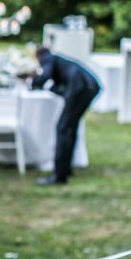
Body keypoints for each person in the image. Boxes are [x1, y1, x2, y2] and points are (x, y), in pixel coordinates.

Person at [29, 46, 101, 185]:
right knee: (70, 128)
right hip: (89, 86)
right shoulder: (60, 62)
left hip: (81, 87)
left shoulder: (48, 58)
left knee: (62, 128)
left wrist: (32, 81)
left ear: (38, 56)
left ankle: (59, 175)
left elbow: (45, 76)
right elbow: (59, 88)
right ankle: (65, 169)